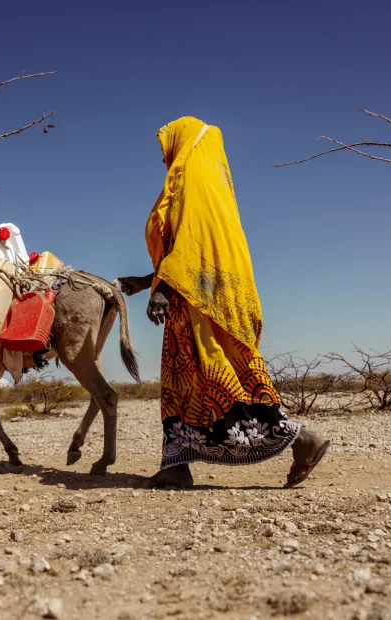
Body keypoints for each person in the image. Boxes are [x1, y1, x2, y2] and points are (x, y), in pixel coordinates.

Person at [118, 116, 330, 489]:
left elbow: (191, 245)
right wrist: (149, 282)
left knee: (224, 384)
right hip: (202, 300)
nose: (164, 157)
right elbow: (196, 254)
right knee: (186, 387)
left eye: (167, 146)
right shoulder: (212, 187)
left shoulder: (193, 182)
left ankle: (300, 440)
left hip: (197, 307)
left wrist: (164, 292)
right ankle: (177, 464)